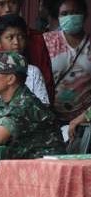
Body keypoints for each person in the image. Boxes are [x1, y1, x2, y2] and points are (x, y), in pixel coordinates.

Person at [0, 51, 65, 158]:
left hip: (47, 167)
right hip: (26, 165)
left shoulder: (23, 104)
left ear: (10, 79)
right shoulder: (1, 103)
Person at [0, 0, 55, 105]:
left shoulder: (36, 40)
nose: (7, 9)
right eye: (0, 4)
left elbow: (47, 82)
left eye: (13, 2)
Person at [43, 0, 91, 134]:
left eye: (76, 13)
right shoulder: (46, 42)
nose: (70, 17)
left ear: (85, 15)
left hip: (85, 123)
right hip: (50, 119)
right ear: (58, 17)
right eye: (65, 13)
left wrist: (85, 117)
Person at [0, 14, 49, 105]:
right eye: (10, 38)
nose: (16, 42)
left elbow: (44, 107)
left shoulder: (33, 72)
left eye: (21, 37)